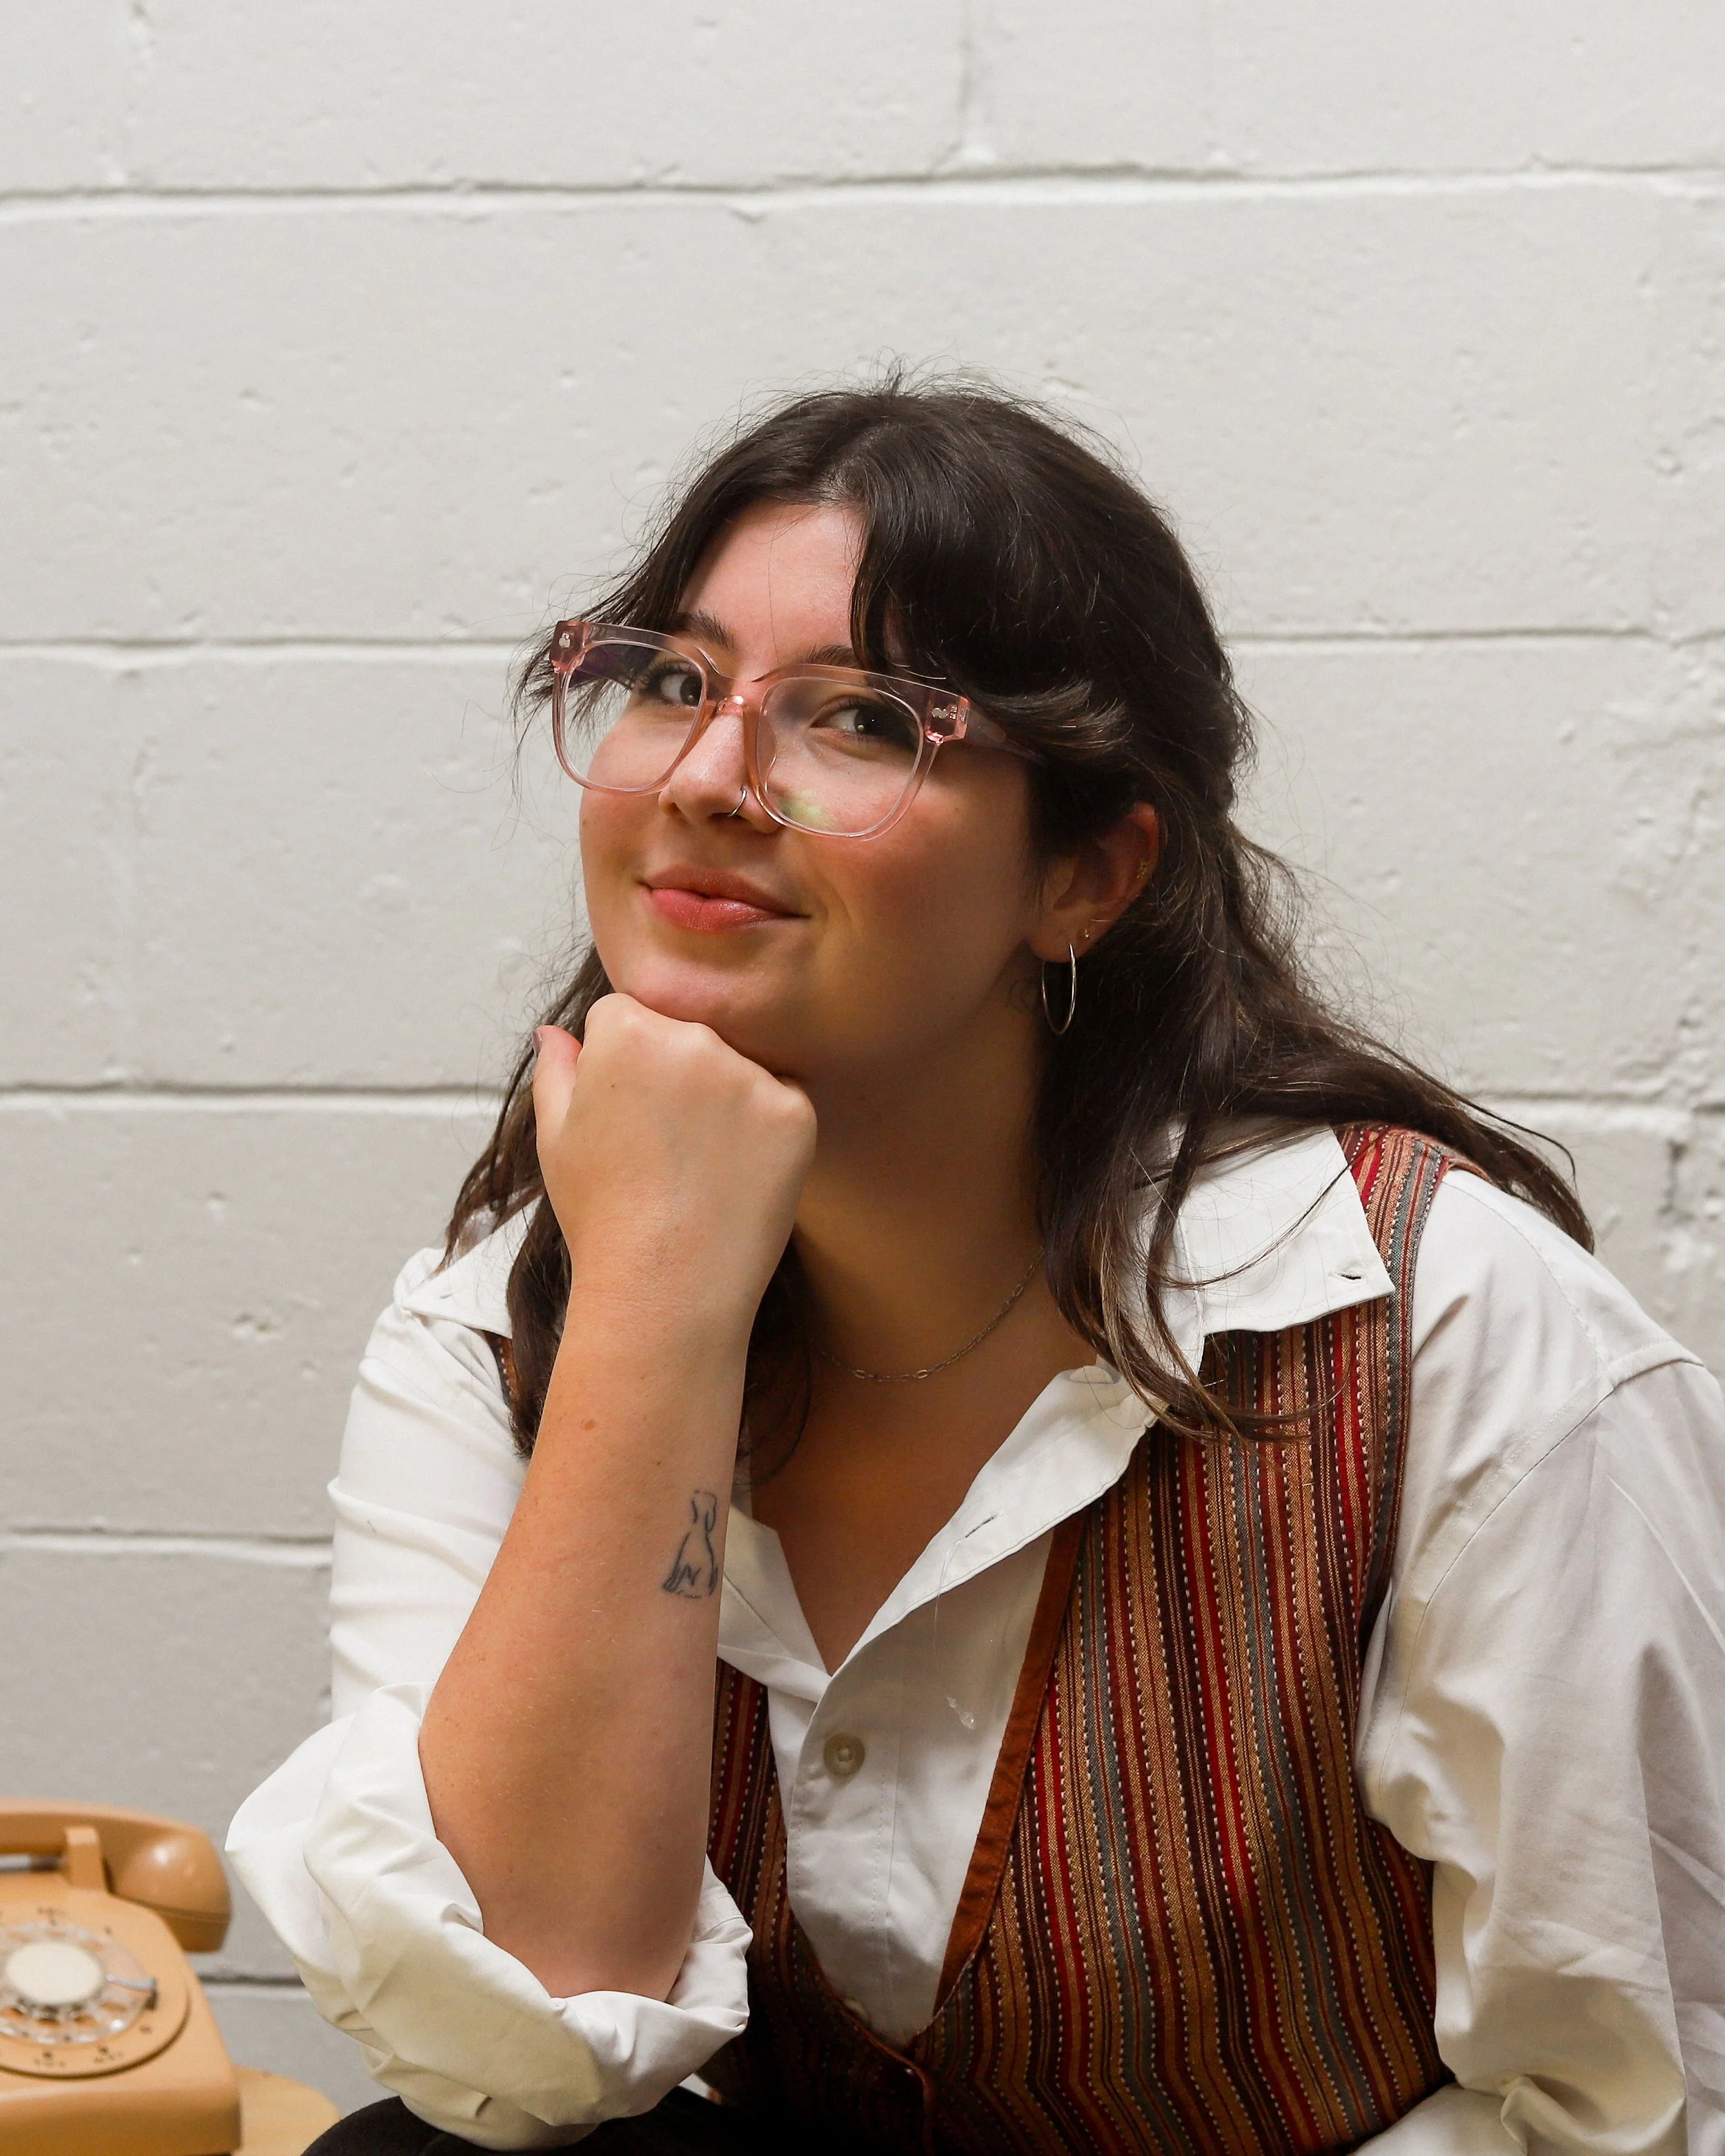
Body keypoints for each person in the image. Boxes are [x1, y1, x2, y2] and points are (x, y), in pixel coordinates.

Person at [228, 377, 1724, 2155]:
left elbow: (1627, 2104)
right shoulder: (512, 1319)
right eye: (676, 683)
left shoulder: (1442, 1328)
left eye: (861, 719)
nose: (710, 779)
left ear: (1087, 871)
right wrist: (657, 1309)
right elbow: (529, 2049)